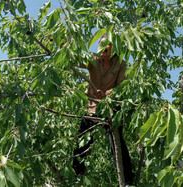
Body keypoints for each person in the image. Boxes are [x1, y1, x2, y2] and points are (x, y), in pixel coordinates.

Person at [73, 35, 135, 185]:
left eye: (107, 45)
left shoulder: (120, 63)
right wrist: (65, 45)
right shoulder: (93, 60)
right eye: (101, 45)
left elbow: (121, 86)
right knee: (82, 139)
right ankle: (76, 174)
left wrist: (107, 94)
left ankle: (128, 180)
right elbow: (74, 60)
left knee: (117, 142)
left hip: (111, 108)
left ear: (113, 49)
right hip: (92, 107)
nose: (103, 48)